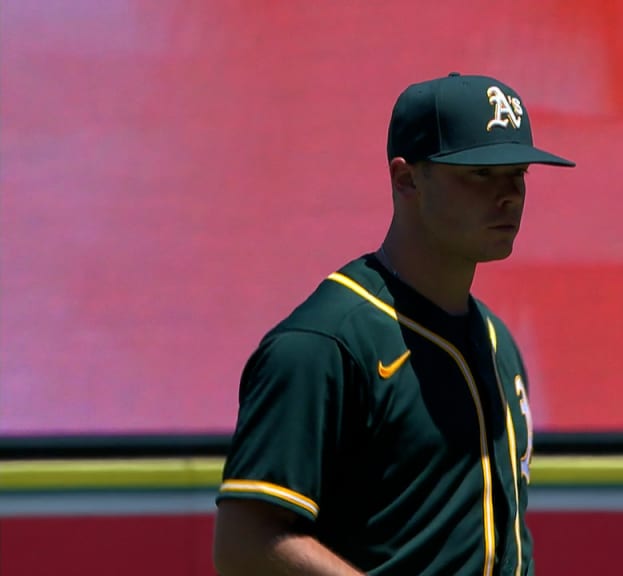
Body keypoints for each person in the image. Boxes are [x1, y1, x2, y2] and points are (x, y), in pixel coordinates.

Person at [212, 72, 575, 576]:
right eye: (479, 173)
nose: (508, 194)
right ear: (405, 179)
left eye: (517, 172)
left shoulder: (498, 344)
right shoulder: (323, 345)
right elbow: (245, 546)